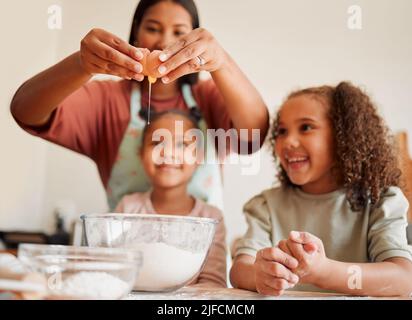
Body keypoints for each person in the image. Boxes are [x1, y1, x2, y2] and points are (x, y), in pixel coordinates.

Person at [10, 0, 268, 210]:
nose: (164, 43)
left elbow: (255, 134)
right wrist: (81, 64)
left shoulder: (209, 96)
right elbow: (25, 111)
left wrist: (221, 62)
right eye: (153, 28)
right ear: (135, 33)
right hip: (130, 263)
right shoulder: (107, 100)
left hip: (204, 267)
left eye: (179, 32)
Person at [230, 82, 412, 297]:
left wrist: (324, 272)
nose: (288, 141)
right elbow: (239, 271)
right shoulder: (266, 205)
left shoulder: (382, 202)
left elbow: (403, 278)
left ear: (345, 136)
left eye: (306, 127)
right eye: (281, 131)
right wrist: (258, 276)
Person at [115, 109, 227, 287]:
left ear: (198, 157)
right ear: (141, 153)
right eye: (157, 143)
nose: (168, 153)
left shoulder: (211, 218)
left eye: (182, 145)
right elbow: (115, 274)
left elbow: (213, 284)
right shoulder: (127, 208)